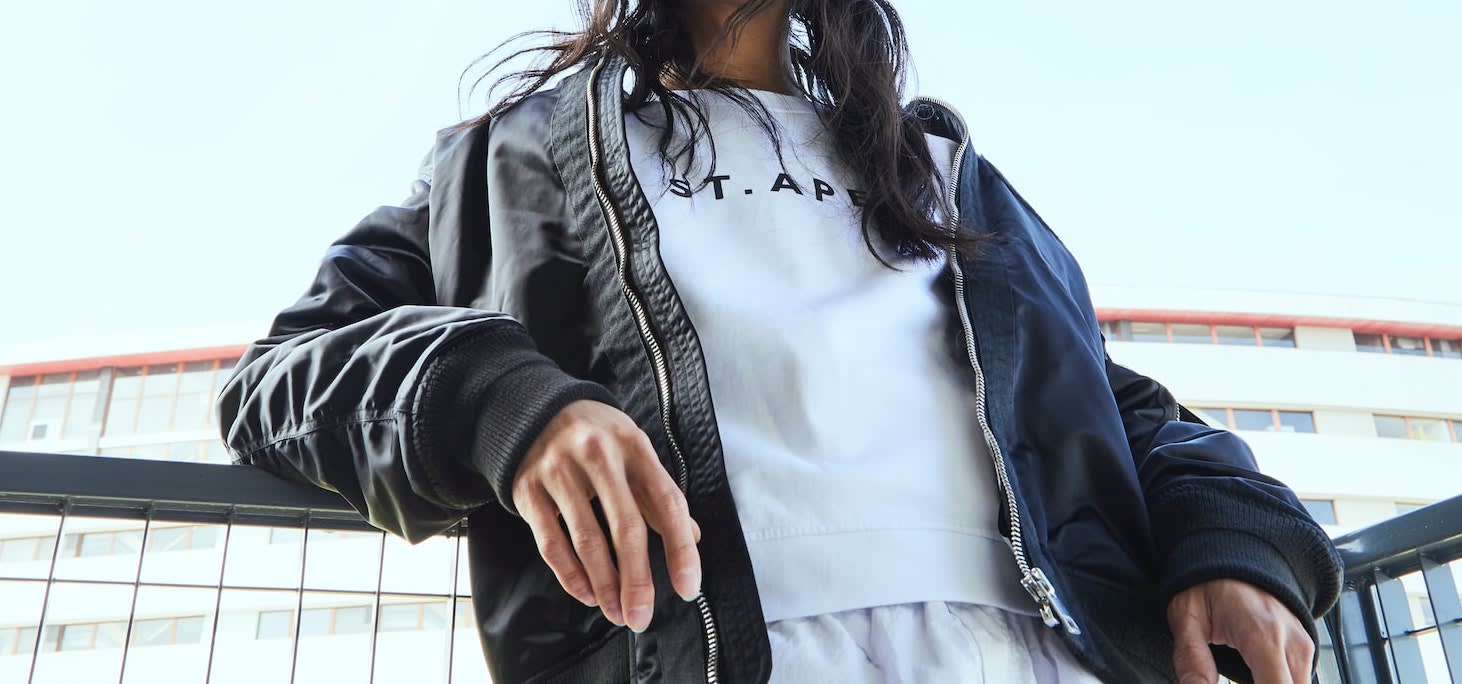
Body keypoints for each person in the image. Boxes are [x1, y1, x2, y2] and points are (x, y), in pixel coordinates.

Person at [217, 1, 1342, 682]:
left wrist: (1238, 544)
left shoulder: (941, 175)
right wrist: (514, 408)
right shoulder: (503, 165)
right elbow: (279, 380)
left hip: (1046, 654)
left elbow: (1112, 408)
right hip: (714, 656)